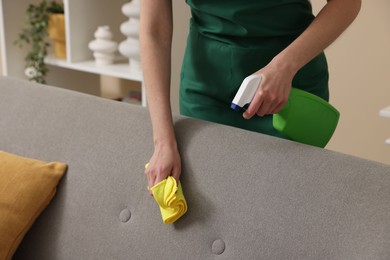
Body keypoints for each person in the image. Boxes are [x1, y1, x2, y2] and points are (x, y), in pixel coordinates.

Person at [140, 0, 361, 190]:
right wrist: (162, 142)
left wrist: (284, 68)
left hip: (292, 87)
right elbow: (154, 32)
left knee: (290, 205)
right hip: (206, 94)